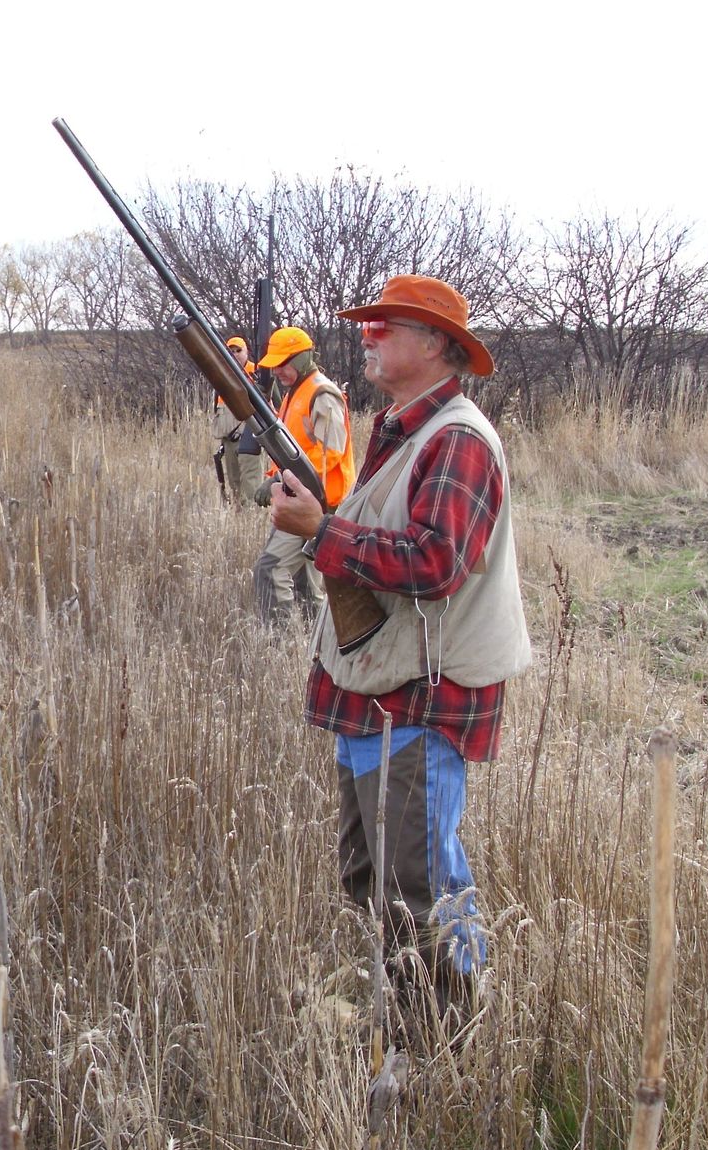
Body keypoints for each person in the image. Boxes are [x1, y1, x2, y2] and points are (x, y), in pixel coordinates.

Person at [268, 275, 531, 1033]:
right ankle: (409, 1012)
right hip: (380, 687)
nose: (370, 335)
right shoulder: (403, 429)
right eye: (372, 324)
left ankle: (446, 1037)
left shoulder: (458, 439)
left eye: (389, 325)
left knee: (419, 881)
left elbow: (435, 562)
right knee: (372, 872)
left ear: (438, 346)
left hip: (422, 695)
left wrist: (322, 531)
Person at [252, 324, 353, 623]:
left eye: (284, 364)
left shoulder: (321, 394)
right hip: (301, 496)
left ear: (302, 358)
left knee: (270, 570)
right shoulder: (295, 392)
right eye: (275, 365)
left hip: (318, 502)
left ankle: (275, 645)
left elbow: (330, 452)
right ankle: (313, 644)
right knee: (305, 582)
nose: (279, 371)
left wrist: (279, 477)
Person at [209, 336, 263, 505]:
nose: (235, 354)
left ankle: (253, 520)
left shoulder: (258, 373)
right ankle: (240, 519)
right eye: (231, 351)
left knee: (251, 484)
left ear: (247, 352)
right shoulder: (222, 376)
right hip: (228, 441)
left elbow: (273, 405)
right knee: (234, 484)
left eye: (238, 350)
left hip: (249, 438)